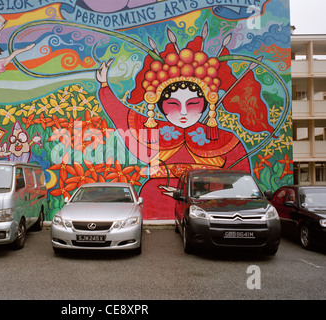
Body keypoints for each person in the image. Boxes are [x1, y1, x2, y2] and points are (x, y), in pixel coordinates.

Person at [96, 34, 255, 219]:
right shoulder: (153, 129)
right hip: (158, 194)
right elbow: (121, 115)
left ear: (206, 104)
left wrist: (191, 192)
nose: (184, 112)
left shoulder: (226, 139)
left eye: (193, 103)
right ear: (160, 106)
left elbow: (240, 180)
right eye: (173, 105)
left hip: (207, 201)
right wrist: (104, 85)